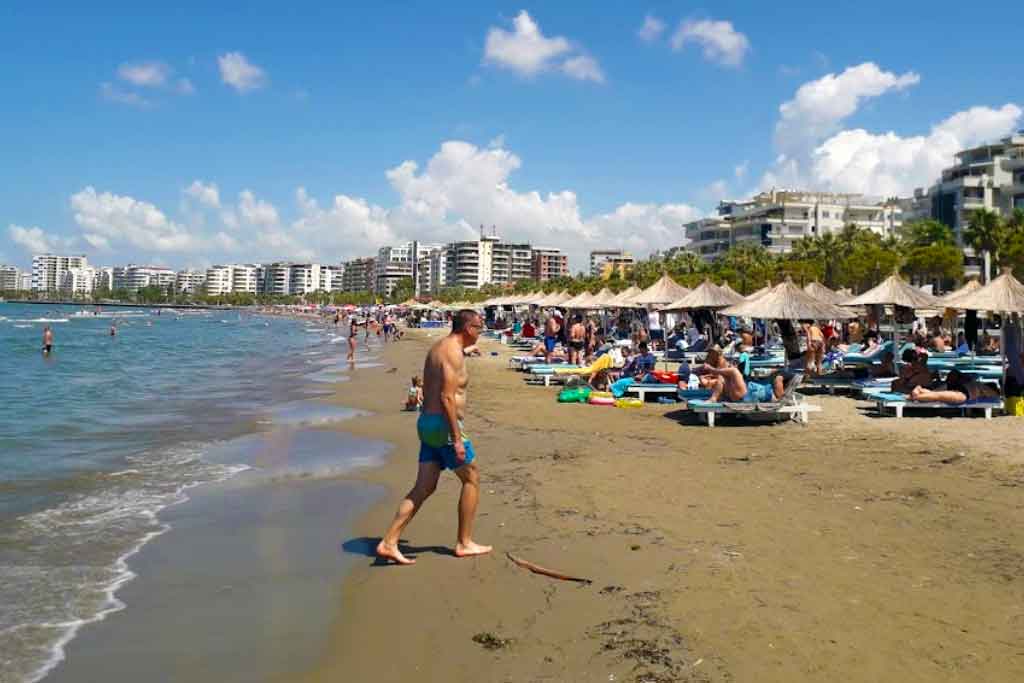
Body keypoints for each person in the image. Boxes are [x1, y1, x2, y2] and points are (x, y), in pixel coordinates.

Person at [377, 310, 491, 565]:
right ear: (467, 328)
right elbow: (447, 397)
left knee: (424, 487)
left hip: (427, 424)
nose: (480, 333)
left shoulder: (441, 347)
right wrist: (457, 439)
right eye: (479, 328)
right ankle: (465, 542)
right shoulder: (452, 352)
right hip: (444, 426)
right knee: (472, 478)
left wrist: (467, 353)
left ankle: (389, 541)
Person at [910, 369, 1000, 404]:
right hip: (963, 393)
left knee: (935, 394)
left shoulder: (976, 384)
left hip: (958, 386)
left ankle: (919, 389)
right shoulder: (984, 388)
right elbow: (995, 396)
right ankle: (913, 397)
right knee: (937, 396)